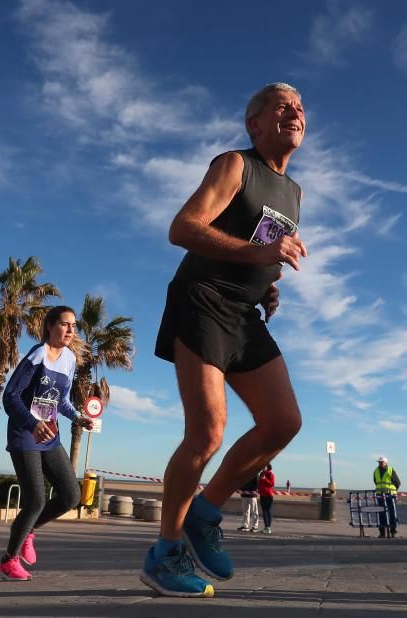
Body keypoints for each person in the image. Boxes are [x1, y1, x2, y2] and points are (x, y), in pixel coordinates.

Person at [140, 82, 307, 598]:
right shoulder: (235, 164)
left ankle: (206, 514)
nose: (295, 112)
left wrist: (268, 284)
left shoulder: (295, 193)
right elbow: (183, 227)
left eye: (300, 107)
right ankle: (165, 554)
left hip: (244, 311)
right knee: (208, 431)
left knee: (284, 421)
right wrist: (258, 259)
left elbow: (260, 249)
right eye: (282, 106)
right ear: (254, 123)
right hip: (201, 297)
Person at [0, 306, 94, 582]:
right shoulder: (37, 355)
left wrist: (78, 418)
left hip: (50, 435)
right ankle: (8, 561)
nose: (70, 331)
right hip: (25, 434)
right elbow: (10, 397)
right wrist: (31, 423)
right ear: (50, 325)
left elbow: (60, 401)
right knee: (36, 500)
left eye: (74, 326)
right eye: (65, 324)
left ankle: (29, 530)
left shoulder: (69, 360)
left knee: (71, 496)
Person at [373, 456, 401, 538]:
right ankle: (382, 532)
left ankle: (393, 530)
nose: (380, 463)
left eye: (381, 462)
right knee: (381, 513)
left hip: (390, 495)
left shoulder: (390, 470)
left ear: (386, 462)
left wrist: (393, 490)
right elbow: (376, 482)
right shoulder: (376, 471)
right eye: (379, 462)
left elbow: (397, 482)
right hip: (380, 495)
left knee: (392, 513)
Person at [258, 463, 276, 534]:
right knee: (264, 511)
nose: (263, 467)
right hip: (262, 495)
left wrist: (265, 479)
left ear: (268, 467)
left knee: (267, 511)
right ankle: (266, 527)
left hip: (268, 495)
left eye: (264, 466)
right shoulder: (261, 474)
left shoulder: (270, 474)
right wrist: (259, 490)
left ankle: (268, 527)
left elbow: (272, 484)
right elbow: (259, 483)